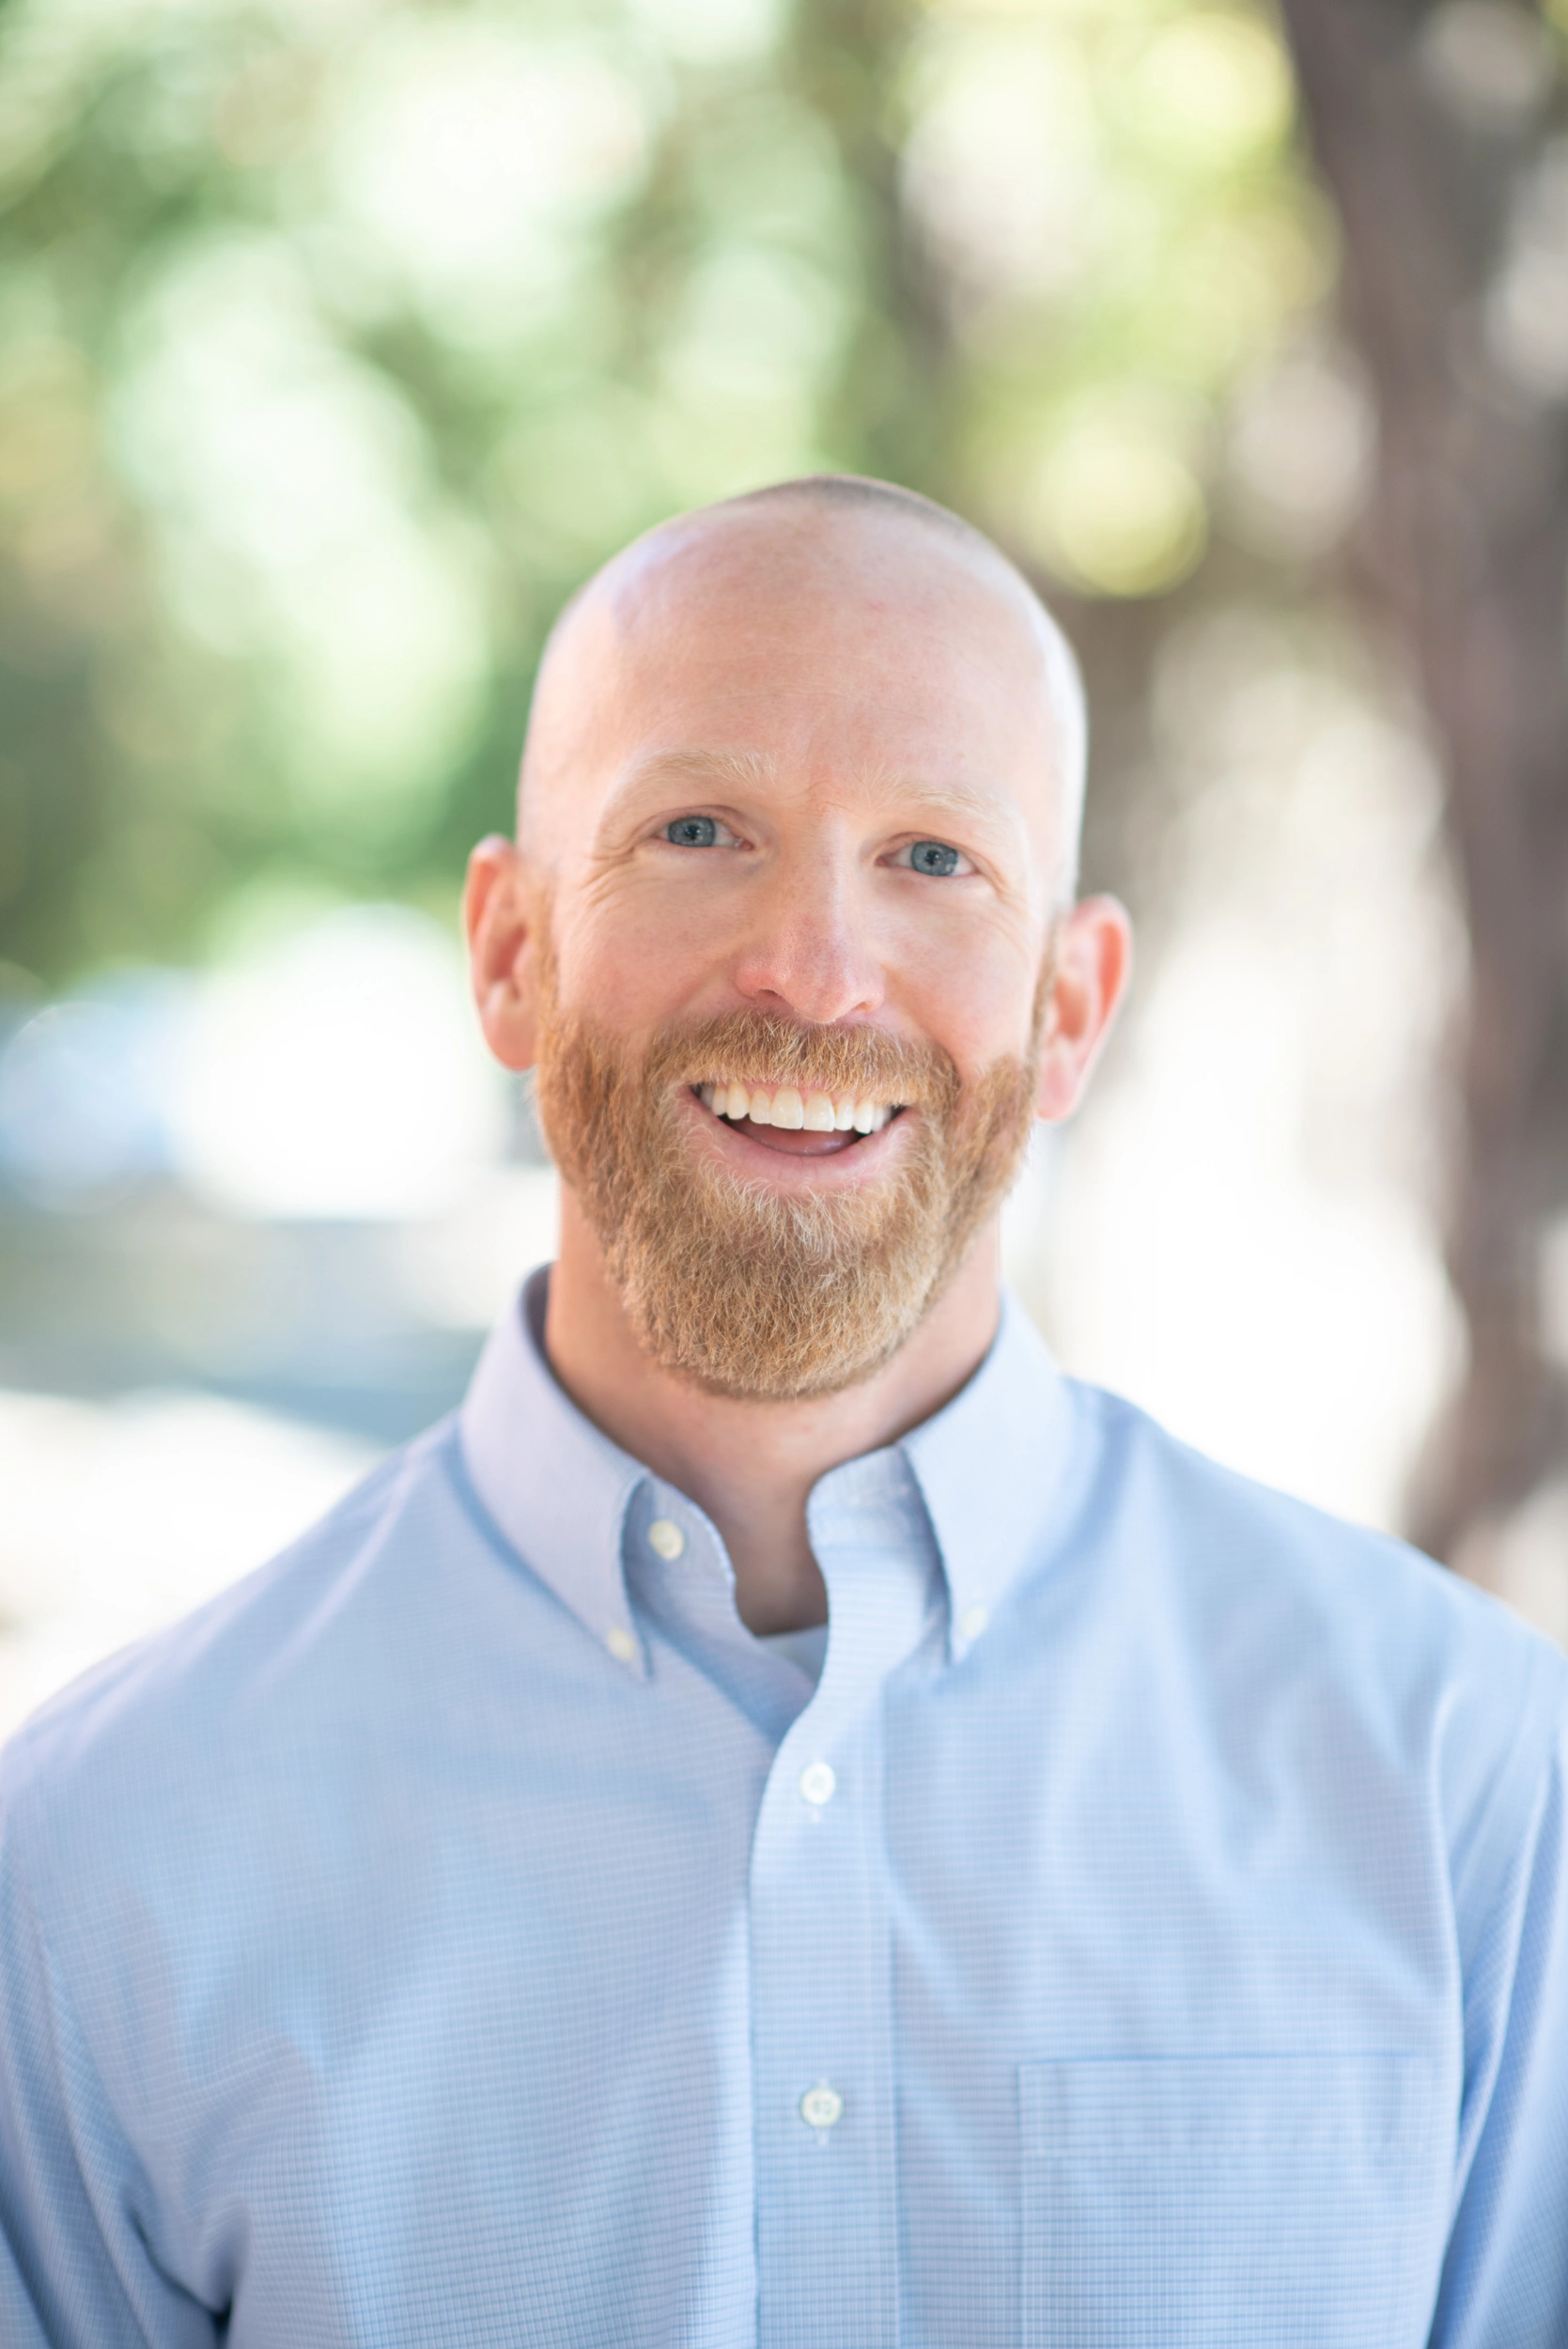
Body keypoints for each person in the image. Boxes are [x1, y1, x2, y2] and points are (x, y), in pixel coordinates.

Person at [1, 476, 1564, 2349]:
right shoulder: (101, 1857)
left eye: (932, 858)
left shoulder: (1470, 1789)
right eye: (698, 828)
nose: (816, 969)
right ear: (511, 951)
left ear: (1071, 1007)